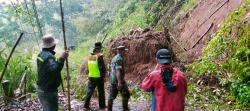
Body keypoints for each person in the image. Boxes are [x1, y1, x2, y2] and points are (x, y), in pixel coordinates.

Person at [37, 34, 69, 111]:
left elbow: (49, 69)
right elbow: (55, 70)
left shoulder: (41, 54)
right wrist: (62, 58)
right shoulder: (49, 57)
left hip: (41, 88)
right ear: (52, 46)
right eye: (54, 44)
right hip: (48, 91)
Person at [83, 42, 107, 110]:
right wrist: (104, 76)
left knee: (89, 91)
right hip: (98, 77)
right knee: (101, 92)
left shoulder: (90, 57)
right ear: (99, 49)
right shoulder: (99, 57)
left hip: (91, 77)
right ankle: (102, 106)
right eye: (100, 49)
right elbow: (101, 68)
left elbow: (88, 68)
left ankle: (85, 106)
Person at [108, 45, 130, 111]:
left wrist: (111, 78)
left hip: (112, 80)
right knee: (126, 94)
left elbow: (110, 69)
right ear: (121, 51)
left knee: (111, 96)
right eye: (124, 51)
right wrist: (119, 83)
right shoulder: (119, 59)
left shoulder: (114, 58)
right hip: (118, 80)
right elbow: (118, 71)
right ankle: (125, 109)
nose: (125, 52)